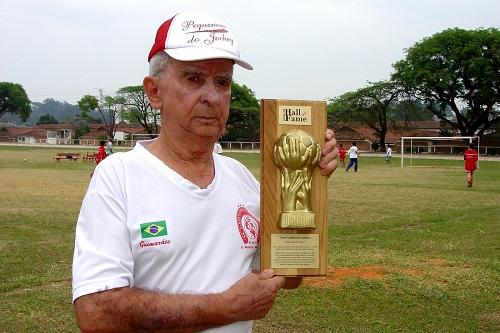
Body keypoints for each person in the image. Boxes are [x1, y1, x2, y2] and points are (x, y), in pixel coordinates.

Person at [72, 11, 339, 333]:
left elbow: (290, 274)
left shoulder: (241, 178)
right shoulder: (119, 177)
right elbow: (96, 313)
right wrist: (222, 307)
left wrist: (308, 182)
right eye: (193, 78)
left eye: (222, 82)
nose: (211, 96)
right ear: (154, 91)